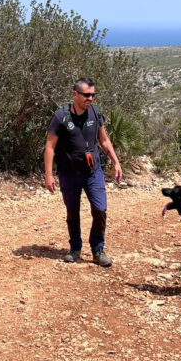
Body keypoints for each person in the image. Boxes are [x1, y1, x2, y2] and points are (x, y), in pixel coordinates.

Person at [44, 78, 122, 265]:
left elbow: (103, 140)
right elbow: (49, 146)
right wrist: (48, 175)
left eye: (93, 95)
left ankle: (98, 249)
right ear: (75, 94)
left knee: (100, 209)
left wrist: (116, 161)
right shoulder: (60, 116)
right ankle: (75, 248)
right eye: (87, 95)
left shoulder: (95, 113)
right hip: (69, 173)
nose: (90, 98)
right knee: (72, 212)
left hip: (92, 172)